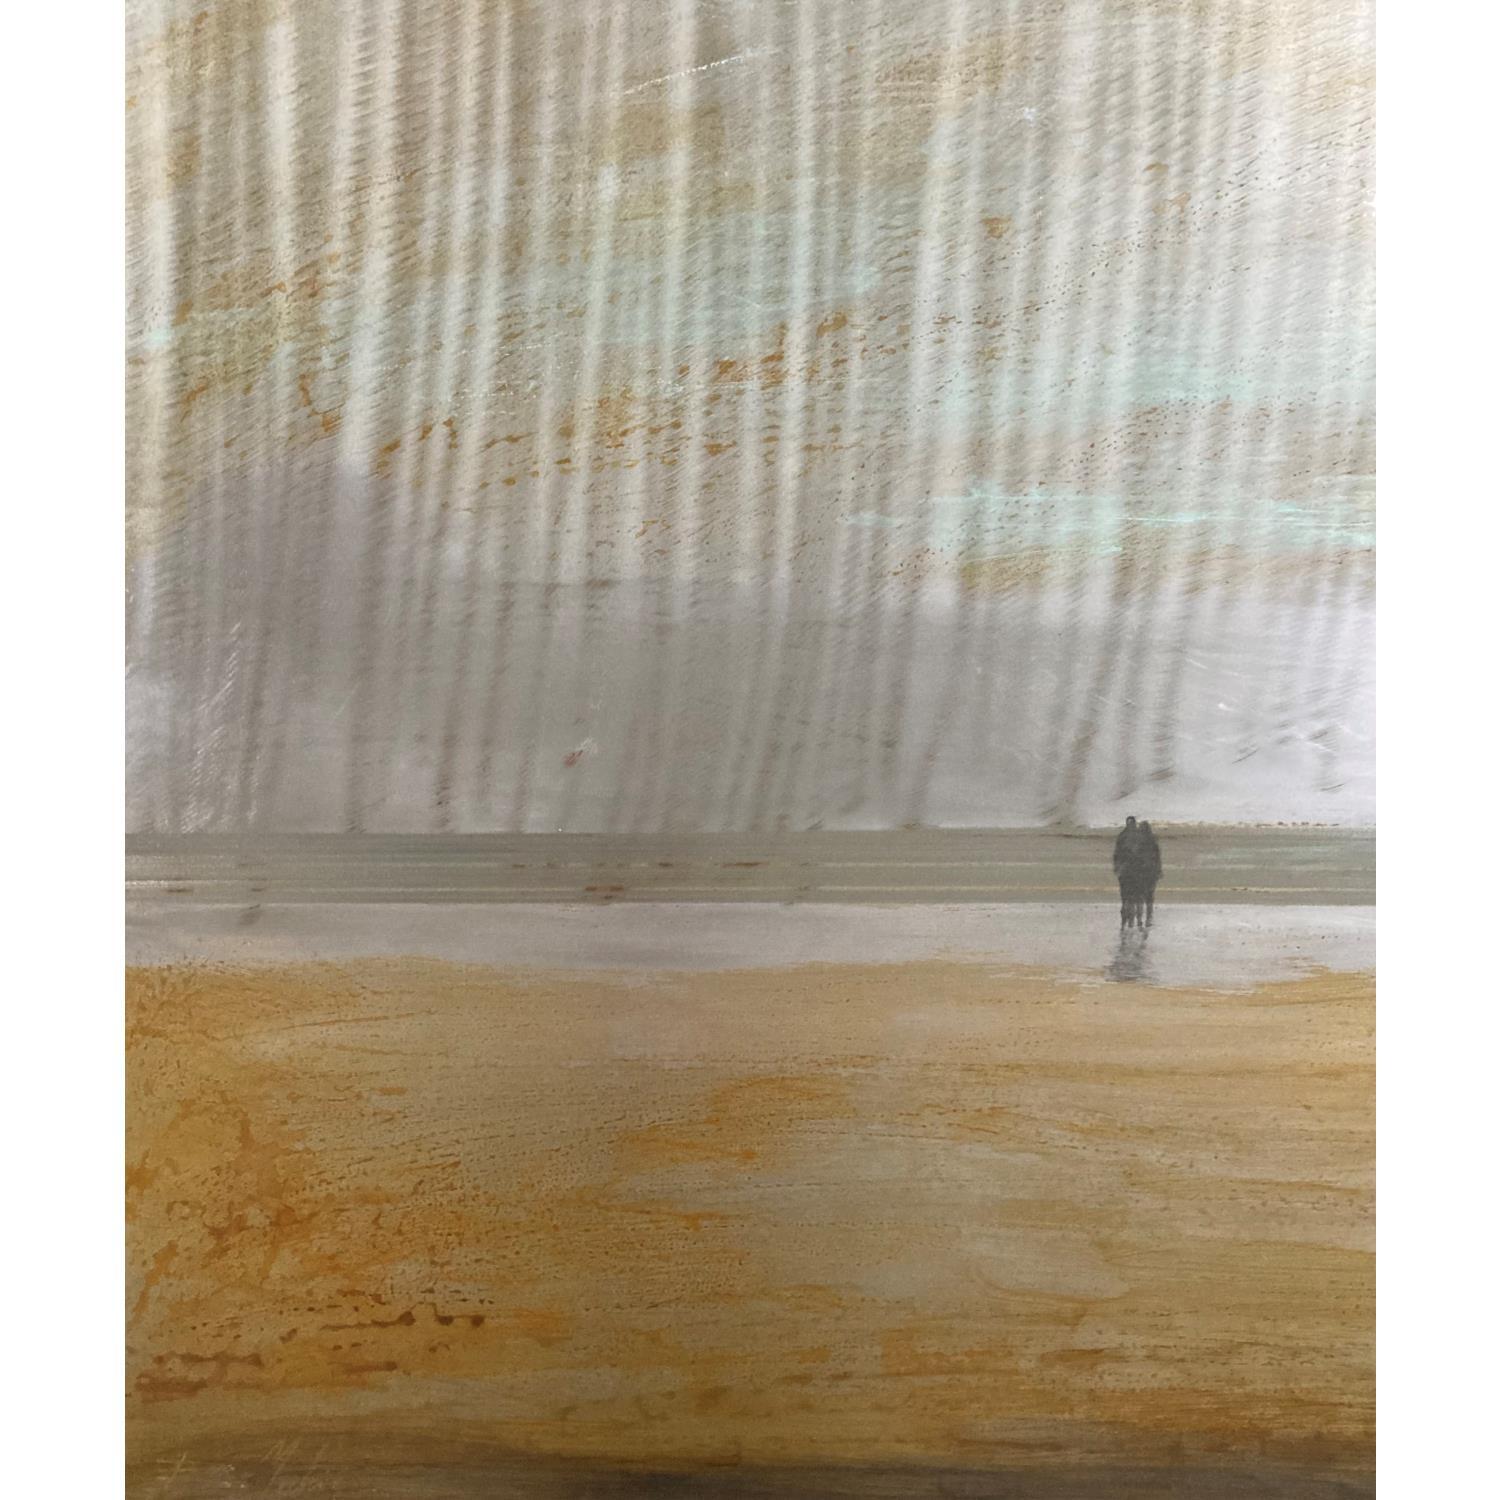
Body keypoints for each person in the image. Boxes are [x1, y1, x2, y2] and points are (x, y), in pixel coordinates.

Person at [1113, 816, 1145, 929]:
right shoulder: (1137, 836)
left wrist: (1117, 867)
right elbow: (1117, 854)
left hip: (1130, 870)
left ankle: (1130, 919)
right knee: (1133, 896)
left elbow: (1117, 854)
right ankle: (1134, 919)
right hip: (1130, 870)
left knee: (1129, 896)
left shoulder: (1123, 836)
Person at [1138, 821, 1163, 926]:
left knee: (1140, 895)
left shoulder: (1138, 842)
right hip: (1151, 872)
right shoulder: (1153, 842)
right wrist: (1159, 871)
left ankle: (1140, 917)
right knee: (1149, 895)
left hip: (1142, 872)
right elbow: (1157, 858)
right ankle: (1148, 916)